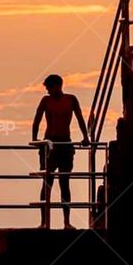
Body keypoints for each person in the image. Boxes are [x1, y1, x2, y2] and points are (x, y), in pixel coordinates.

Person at [32, 74, 89, 229]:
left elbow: (80, 118)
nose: (48, 91)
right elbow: (36, 119)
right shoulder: (46, 101)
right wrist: (35, 139)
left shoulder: (71, 99)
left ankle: (66, 222)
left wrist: (85, 137)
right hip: (49, 144)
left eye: (50, 87)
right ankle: (44, 222)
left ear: (58, 85)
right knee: (47, 183)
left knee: (65, 183)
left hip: (65, 143)